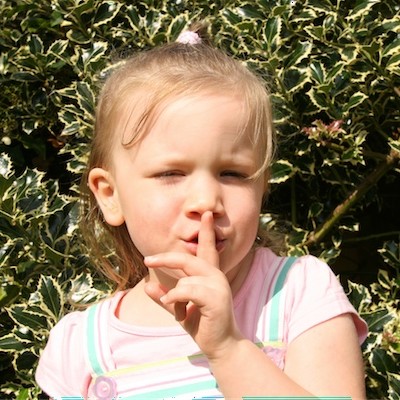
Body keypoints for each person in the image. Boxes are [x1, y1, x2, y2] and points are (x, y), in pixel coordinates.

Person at [36, 22, 368, 399]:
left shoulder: (297, 292)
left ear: (262, 185)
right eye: (170, 174)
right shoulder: (79, 349)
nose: (206, 200)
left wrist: (228, 348)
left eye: (233, 174)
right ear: (111, 195)